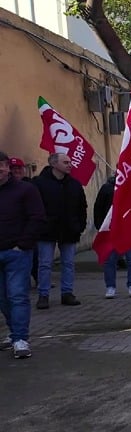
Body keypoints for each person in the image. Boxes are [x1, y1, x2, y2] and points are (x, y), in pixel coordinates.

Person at [0, 152, 45, 359]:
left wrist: (23, 244)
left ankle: (20, 339)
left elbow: (36, 217)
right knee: (2, 299)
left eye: (1, 165)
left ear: (8, 167)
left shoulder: (25, 190)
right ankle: (13, 332)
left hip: (16, 253)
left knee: (17, 296)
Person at [32, 152, 87, 309]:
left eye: (70, 162)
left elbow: (82, 207)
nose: (70, 165)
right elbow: (35, 207)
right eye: (65, 162)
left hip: (69, 230)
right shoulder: (40, 184)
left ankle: (67, 293)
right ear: (54, 164)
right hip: (46, 231)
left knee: (68, 263)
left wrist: (80, 226)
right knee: (45, 264)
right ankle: (43, 295)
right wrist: (40, 225)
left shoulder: (74, 184)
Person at [93, 173, 131, 298]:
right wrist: (101, 227)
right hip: (110, 230)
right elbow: (98, 208)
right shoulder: (107, 188)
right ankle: (110, 286)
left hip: (130, 229)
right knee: (109, 260)